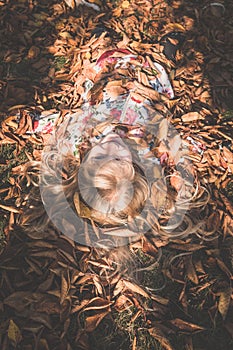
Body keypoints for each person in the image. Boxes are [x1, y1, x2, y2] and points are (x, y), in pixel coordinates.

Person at [19, 36, 209, 250]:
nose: (111, 145)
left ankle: (103, 36)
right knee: (161, 68)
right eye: (118, 158)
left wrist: (32, 123)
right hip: (150, 85)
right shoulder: (152, 155)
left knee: (101, 58)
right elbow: (187, 149)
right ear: (136, 169)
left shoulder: (77, 140)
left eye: (99, 157)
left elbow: (59, 124)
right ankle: (166, 53)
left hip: (108, 81)